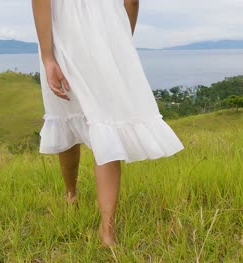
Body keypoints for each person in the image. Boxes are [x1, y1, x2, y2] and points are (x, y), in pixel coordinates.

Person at [31, 0, 184, 247]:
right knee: (106, 120)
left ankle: (71, 195)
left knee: (66, 111)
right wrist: (121, 40)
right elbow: (132, 2)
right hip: (107, 34)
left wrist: (48, 58)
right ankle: (107, 232)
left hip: (62, 35)